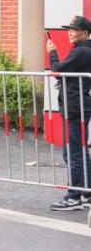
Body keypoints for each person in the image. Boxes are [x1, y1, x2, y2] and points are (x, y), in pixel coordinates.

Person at [47, 15, 91, 211]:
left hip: (75, 107)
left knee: (73, 152)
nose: (70, 33)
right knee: (80, 152)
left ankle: (73, 196)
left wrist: (52, 52)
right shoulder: (83, 50)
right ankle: (86, 194)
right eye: (69, 29)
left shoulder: (82, 51)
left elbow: (57, 69)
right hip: (78, 106)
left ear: (85, 33)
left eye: (74, 29)